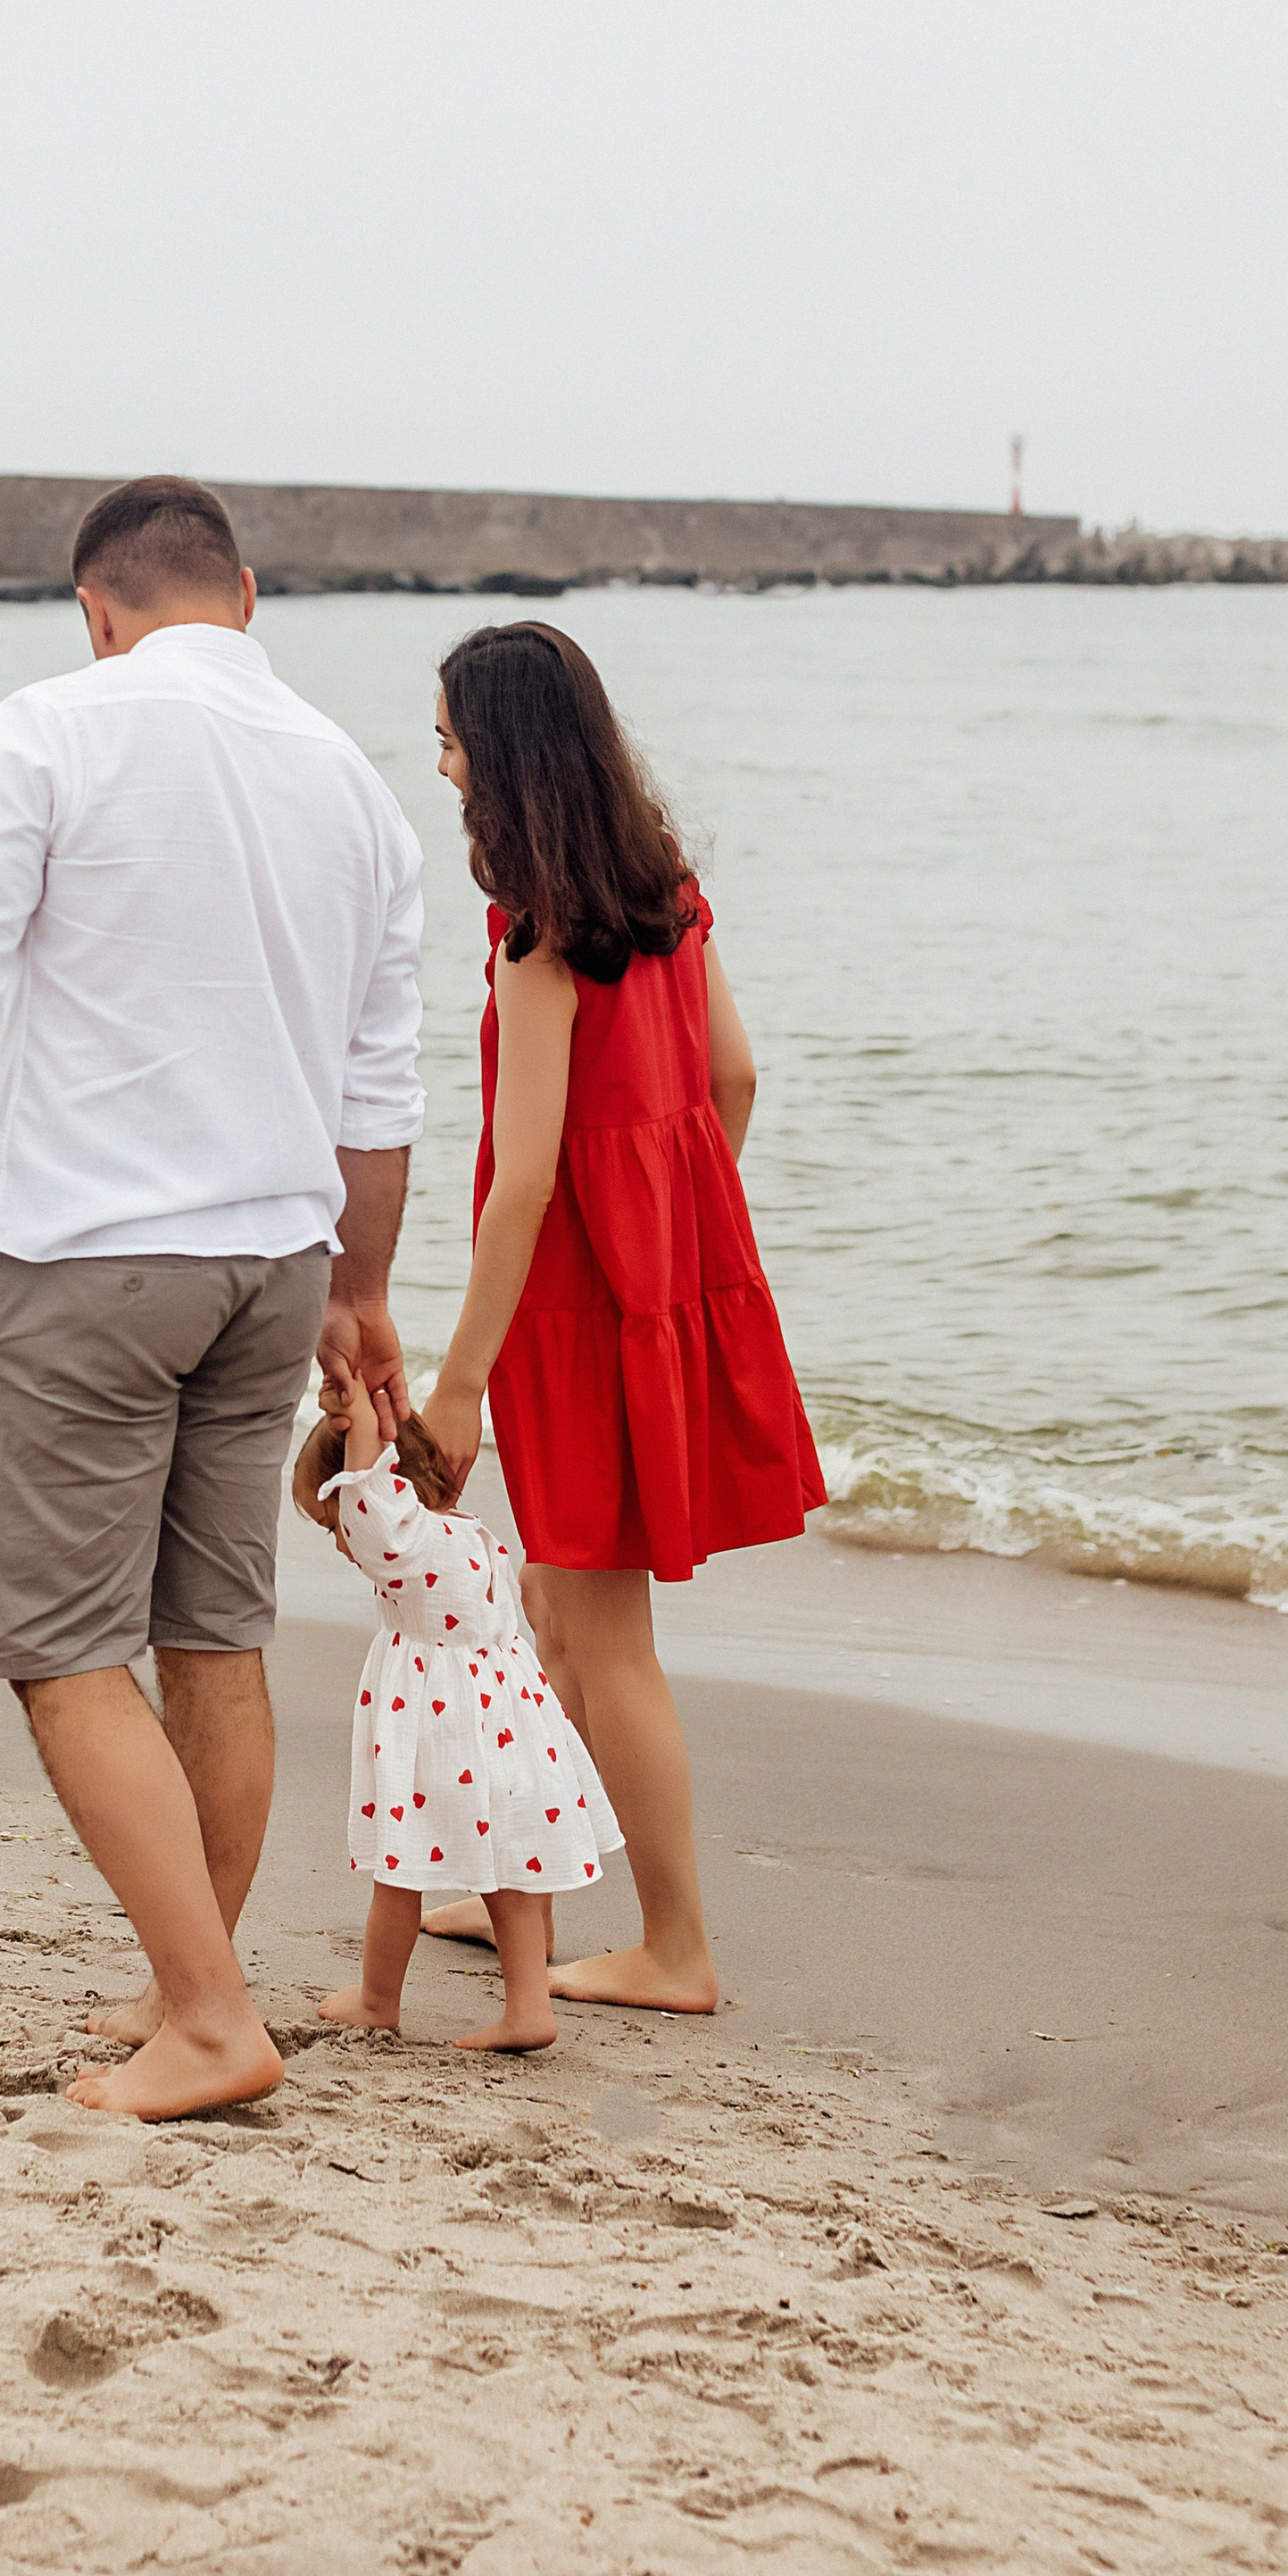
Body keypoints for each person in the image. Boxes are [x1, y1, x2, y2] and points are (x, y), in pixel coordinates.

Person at [0, 476, 425, 2121]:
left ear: (97, 612)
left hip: (91, 1255)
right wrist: (362, 1298)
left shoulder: (54, 728)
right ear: (249, 596)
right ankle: (189, 1994)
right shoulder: (359, 791)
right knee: (211, 1635)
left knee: (65, 1648)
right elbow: (381, 1095)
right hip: (276, 1266)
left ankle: (214, 2021)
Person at [418, 621, 824, 2013]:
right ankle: (521, 1887)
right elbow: (740, 1081)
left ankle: (676, 1948)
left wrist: (459, 1379)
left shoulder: (539, 938)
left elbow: (523, 1178)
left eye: (454, 740)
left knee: (605, 1636)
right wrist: (679, 1233)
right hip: (653, 1292)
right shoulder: (668, 893)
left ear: (510, 758)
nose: (446, 765)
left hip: (574, 1313)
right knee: (553, 1601)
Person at [291, 1376, 621, 2055]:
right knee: (509, 1874)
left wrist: (357, 1417)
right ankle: (528, 2007)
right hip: (510, 1721)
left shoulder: (403, 1548)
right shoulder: (470, 1533)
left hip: (446, 1729)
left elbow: (370, 1502)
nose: (339, 1542)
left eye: (334, 1523)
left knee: (399, 1866)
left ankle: (377, 2000)